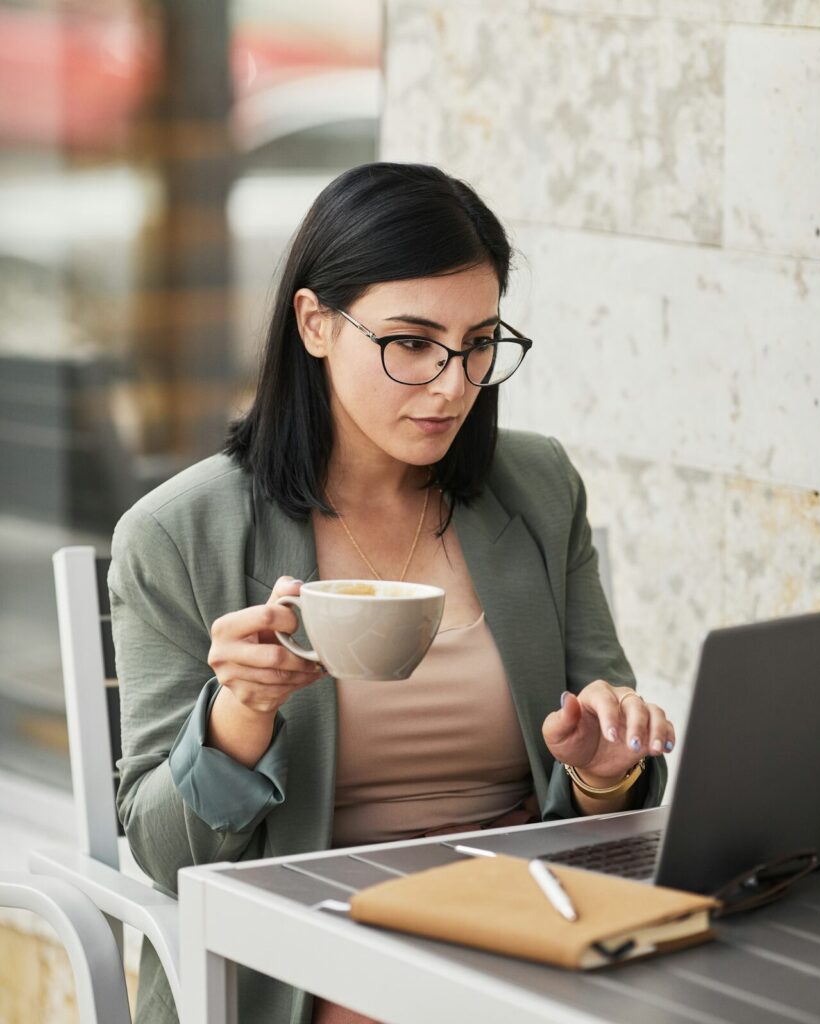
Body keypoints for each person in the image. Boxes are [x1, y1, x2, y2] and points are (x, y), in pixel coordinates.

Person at [109, 162, 675, 1024]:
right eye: (410, 343)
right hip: (312, 948)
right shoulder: (179, 533)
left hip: (526, 923)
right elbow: (162, 855)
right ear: (314, 324)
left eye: (479, 343)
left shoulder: (536, 487)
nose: (452, 384)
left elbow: (612, 767)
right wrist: (238, 714)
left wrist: (603, 773)